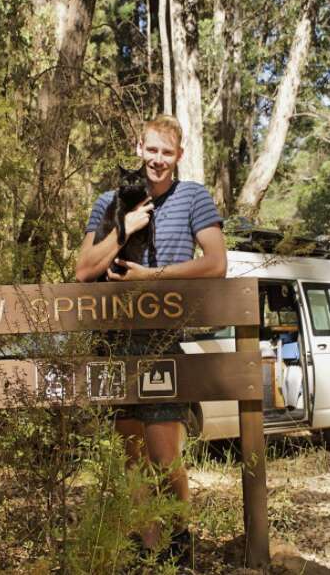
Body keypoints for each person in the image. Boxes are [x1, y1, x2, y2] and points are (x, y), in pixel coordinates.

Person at [75, 114, 227, 561]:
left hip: (160, 340)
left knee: (164, 455)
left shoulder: (193, 197)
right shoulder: (110, 199)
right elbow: (84, 270)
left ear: (178, 156)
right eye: (152, 150)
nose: (158, 160)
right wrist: (126, 229)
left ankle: (180, 547)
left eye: (167, 152)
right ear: (139, 148)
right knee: (131, 457)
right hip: (113, 340)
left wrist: (152, 276)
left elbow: (216, 264)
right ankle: (146, 551)